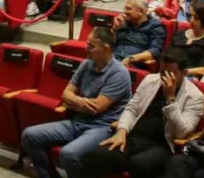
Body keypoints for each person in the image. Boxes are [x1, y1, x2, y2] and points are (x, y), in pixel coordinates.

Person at [21, 27, 134, 178]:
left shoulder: (119, 73)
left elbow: (97, 107)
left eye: (91, 46)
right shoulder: (86, 64)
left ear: (106, 48)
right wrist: (79, 101)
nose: (86, 48)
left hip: (102, 128)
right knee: (29, 136)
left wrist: (72, 102)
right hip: (77, 122)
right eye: (87, 44)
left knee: (69, 154)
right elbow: (66, 94)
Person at [82, 48, 204, 178]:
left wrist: (170, 99)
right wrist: (121, 132)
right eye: (162, 72)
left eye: (171, 73)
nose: (165, 77)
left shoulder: (195, 96)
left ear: (184, 73)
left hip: (162, 145)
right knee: (95, 155)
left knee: (139, 164)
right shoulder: (150, 80)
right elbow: (132, 108)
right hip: (135, 137)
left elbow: (183, 132)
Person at [113, 0, 166, 68]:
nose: (124, 11)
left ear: (142, 11)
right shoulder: (122, 22)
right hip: (113, 59)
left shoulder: (155, 26)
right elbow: (108, 44)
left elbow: (155, 51)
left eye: (128, 9)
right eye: (124, 8)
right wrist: (115, 29)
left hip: (134, 63)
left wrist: (131, 58)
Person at [171, 0, 204, 73]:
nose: (191, 20)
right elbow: (167, 56)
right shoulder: (179, 34)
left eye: (196, 18)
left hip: (190, 76)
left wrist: (182, 73)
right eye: (190, 16)